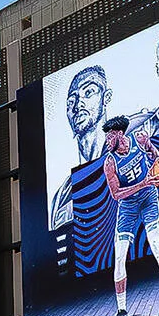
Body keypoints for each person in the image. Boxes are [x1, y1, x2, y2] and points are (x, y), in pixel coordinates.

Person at [101, 115, 159, 316]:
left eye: (110, 136)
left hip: (148, 198)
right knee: (119, 257)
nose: (107, 141)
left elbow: (155, 155)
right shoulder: (110, 162)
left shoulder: (139, 139)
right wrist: (143, 182)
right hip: (128, 206)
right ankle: (121, 312)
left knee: (156, 244)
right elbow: (117, 194)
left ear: (120, 134)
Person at [49, 66, 112, 229]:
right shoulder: (62, 195)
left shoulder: (127, 161)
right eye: (71, 101)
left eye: (89, 92)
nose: (77, 105)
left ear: (106, 98)